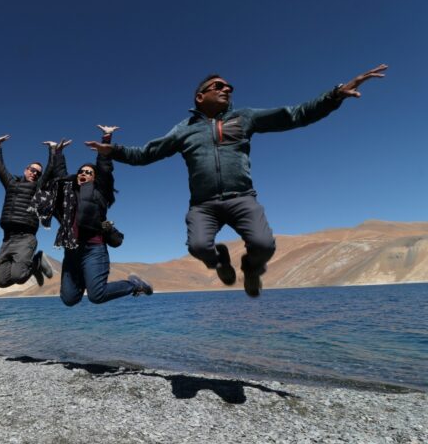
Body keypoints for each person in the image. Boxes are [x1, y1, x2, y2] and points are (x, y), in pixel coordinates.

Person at [86, 65, 388, 297]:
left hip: (242, 197)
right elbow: (146, 154)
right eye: (218, 86)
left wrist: (334, 95)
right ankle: (220, 260)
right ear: (200, 96)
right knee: (198, 246)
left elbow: (294, 115)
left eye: (229, 86)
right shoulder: (184, 130)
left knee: (264, 244)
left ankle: (251, 268)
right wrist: (114, 151)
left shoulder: (244, 118)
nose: (227, 89)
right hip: (203, 205)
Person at [35, 128, 153, 306]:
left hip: (94, 249)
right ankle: (86, 277)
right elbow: (60, 173)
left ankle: (133, 284)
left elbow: (105, 168)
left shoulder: (100, 191)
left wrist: (106, 140)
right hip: (72, 250)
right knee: (69, 299)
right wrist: (57, 152)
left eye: (89, 172)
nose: (84, 173)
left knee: (96, 296)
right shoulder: (68, 193)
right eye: (81, 171)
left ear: (95, 177)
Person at [0, 135, 54, 288]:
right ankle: (34, 264)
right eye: (32, 170)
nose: (35, 173)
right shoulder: (11, 183)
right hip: (7, 238)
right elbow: (0, 167)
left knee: (19, 276)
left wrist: (52, 150)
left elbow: (50, 172)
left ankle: (37, 261)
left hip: (26, 237)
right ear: (26, 169)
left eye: (38, 173)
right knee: (1, 281)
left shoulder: (37, 187)